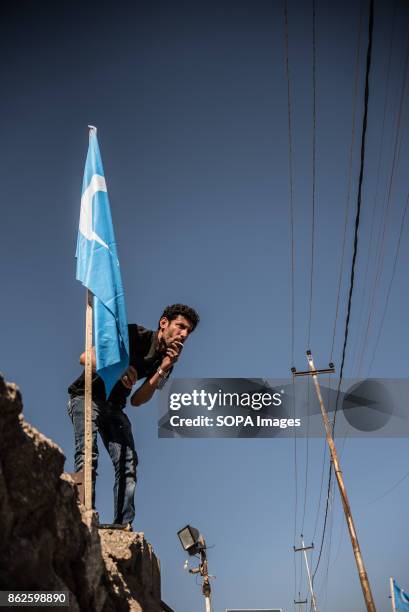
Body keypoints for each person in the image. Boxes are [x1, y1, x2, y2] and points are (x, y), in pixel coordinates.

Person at [67, 303, 200, 530]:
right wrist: (119, 369)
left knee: (128, 462)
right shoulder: (133, 335)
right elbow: (84, 357)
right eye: (181, 327)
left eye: (188, 331)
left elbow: (138, 400)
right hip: (86, 396)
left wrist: (163, 367)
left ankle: (123, 525)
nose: (184, 334)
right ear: (164, 323)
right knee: (88, 453)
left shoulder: (167, 360)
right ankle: (84, 515)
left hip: (115, 407)